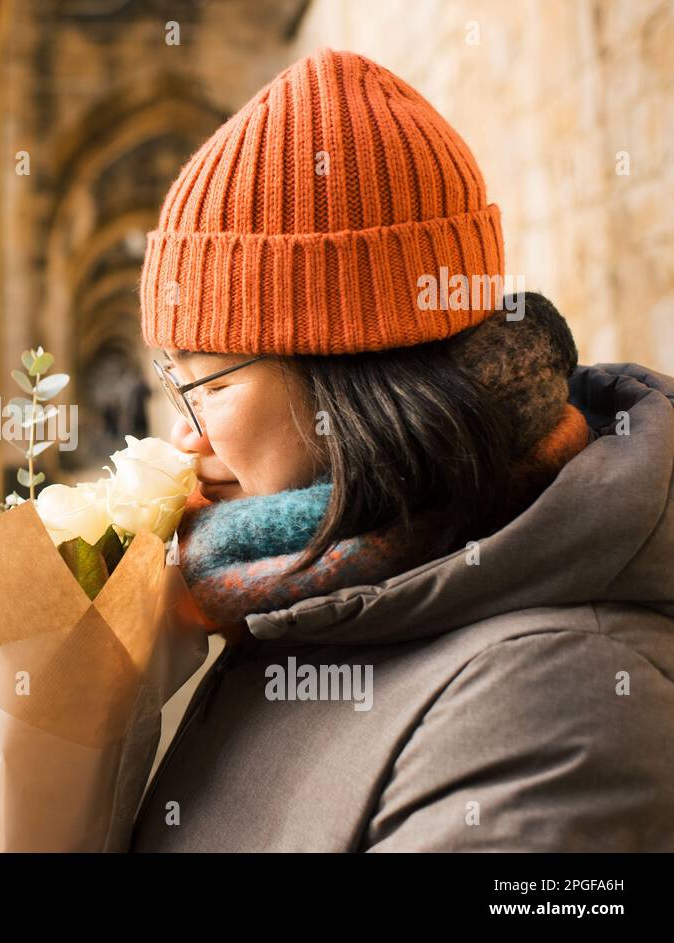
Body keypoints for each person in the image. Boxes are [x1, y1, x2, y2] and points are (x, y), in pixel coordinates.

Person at [130, 48, 674, 851]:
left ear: (350, 383)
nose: (188, 433)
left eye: (208, 382)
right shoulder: (303, 602)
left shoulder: (563, 698)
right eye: (172, 381)